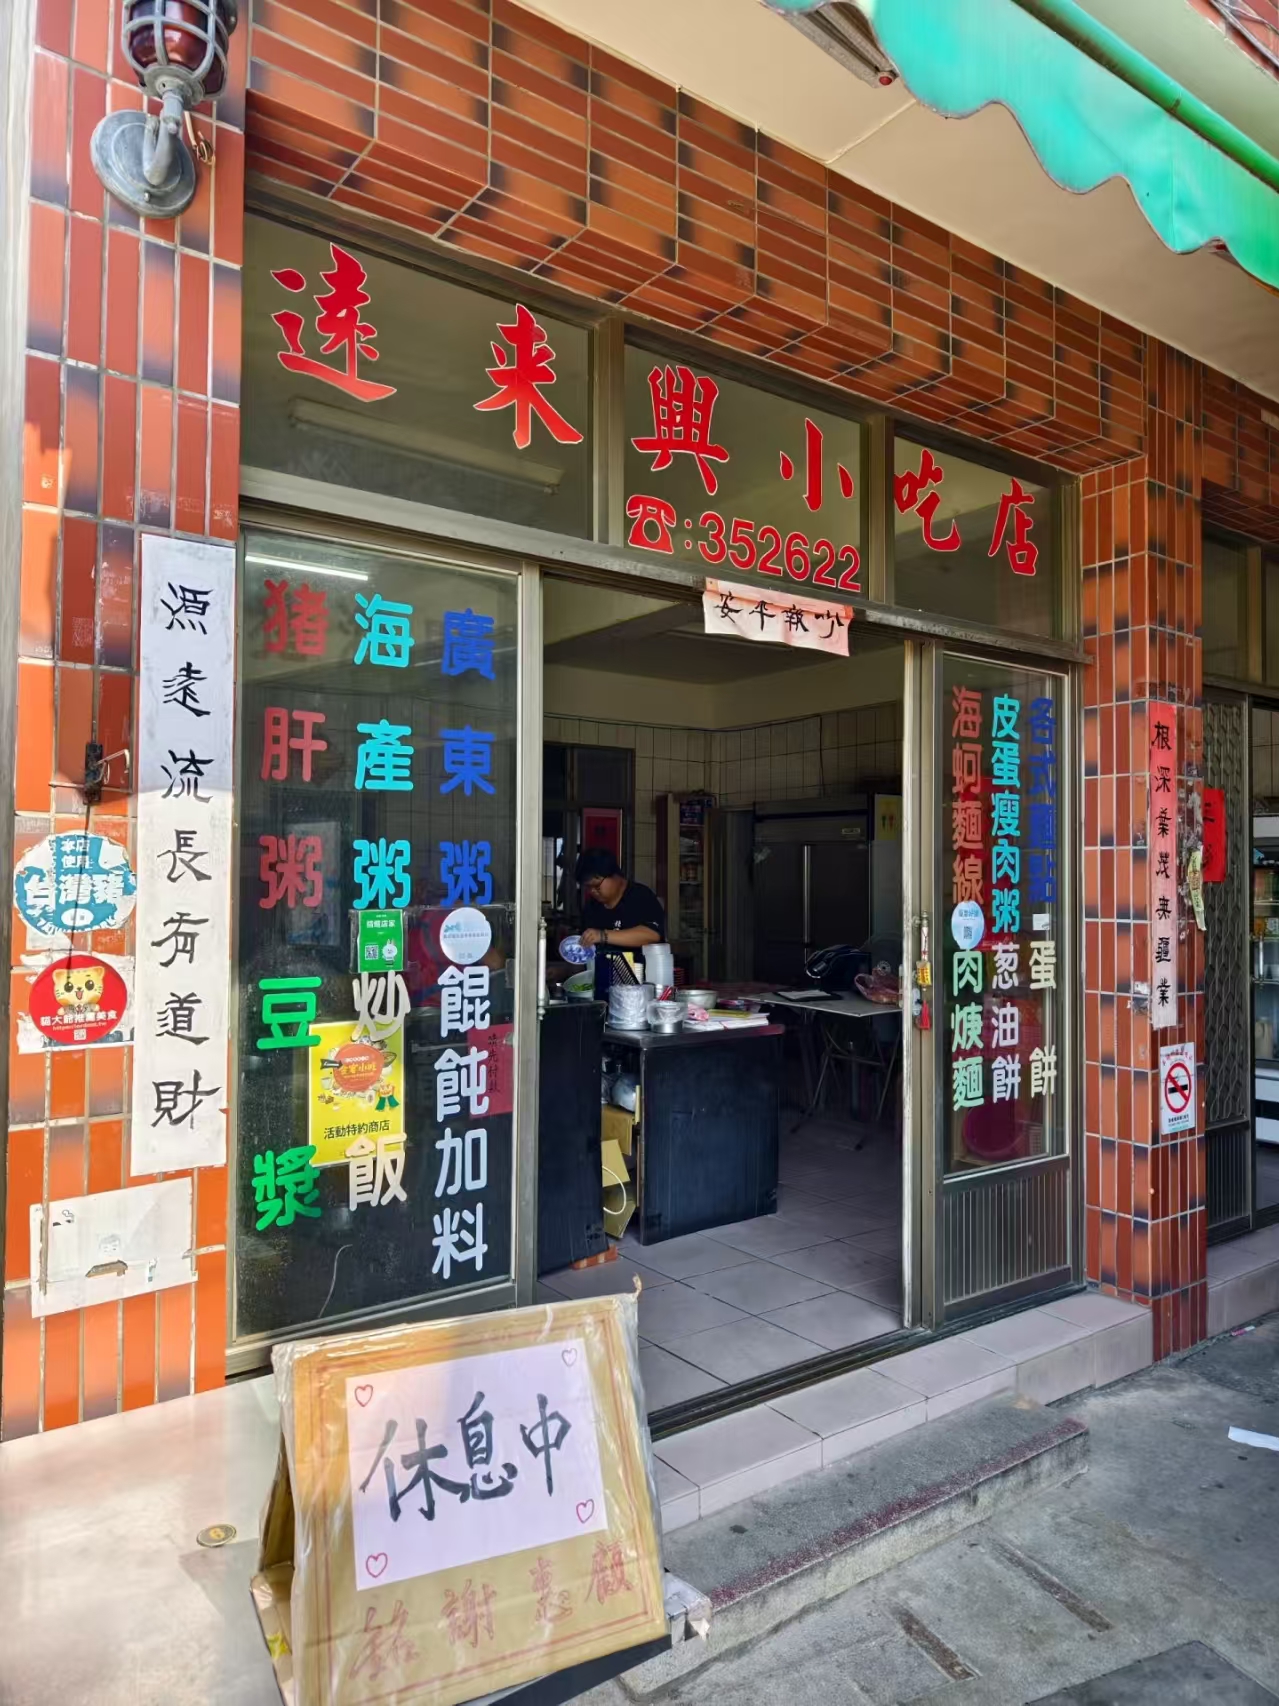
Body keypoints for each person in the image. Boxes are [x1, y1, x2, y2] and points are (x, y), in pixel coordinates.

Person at [575, 848, 665, 950]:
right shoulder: (592, 907)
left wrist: (602, 935)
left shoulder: (640, 896)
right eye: (588, 887)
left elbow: (652, 935)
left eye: (596, 886)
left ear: (615, 875)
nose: (592, 891)